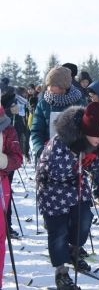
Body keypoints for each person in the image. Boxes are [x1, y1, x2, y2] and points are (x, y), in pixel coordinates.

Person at [36, 102, 99, 289]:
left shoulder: (92, 141)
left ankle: (73, 251)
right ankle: (61, 271)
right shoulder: (61, 142)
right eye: (98, 136)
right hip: (53, 190)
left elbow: (90, 168)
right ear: (86, 130)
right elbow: (55, 172)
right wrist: (73, 152)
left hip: (76, 186)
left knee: (84, 220)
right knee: (59, 231)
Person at [31, 66, 86, 160]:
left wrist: (81, 148)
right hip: (48, 155)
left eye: (52, 85)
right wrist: (39, 149)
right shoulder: (43, 105)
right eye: (48, 85)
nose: (49, 88)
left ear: (63, 86)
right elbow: (37, 130)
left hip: (74, 155)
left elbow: (87, 130)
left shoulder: (79, 104)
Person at [0, 105, 22, 290]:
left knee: (0, 232)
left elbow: (17, 157)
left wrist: (4, 160)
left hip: (1, 181)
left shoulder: (6, 127)